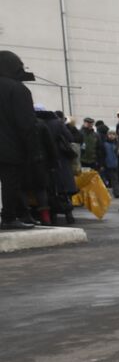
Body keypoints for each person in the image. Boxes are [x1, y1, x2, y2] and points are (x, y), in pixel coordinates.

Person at [0, 50, 39, 229]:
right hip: (10, 147)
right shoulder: (18, 89)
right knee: (11, 183)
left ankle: (15, 214)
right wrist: (33, 150)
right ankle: (9, 217)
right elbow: (26, 124)